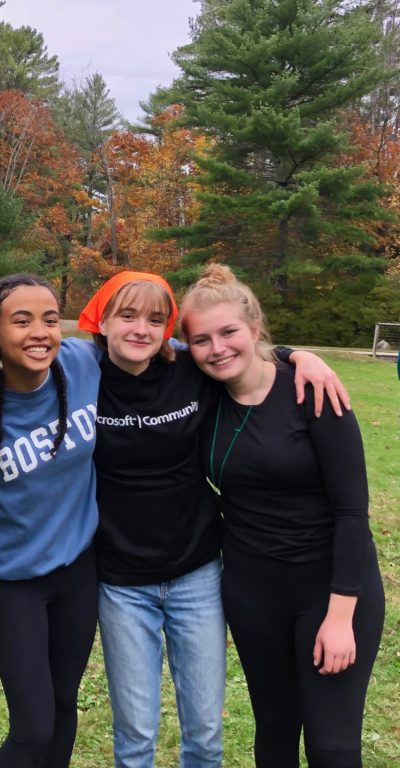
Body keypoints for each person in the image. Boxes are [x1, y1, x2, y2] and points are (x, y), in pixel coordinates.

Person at [77, 270, 347, 768]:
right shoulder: (80, 375)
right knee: (135, 734)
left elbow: (233, 347)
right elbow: (22, 355)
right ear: (102, 319)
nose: (141, 329)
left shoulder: (187, 368)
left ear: (168, 330)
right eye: (128, 315)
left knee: (204, 733)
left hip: (197, 572)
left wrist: (297, 354)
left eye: (156, 320)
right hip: (120, 580)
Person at [180, 264, 385, 768]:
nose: (218, 348)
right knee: (273, 732)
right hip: (252, 593)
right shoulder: (201, 392)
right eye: (201, 340)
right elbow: (128, 348)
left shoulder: (313, 393)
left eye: (229, 332)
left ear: (255, 329)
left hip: (329, 590)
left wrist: (340, 617)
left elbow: (352, 512)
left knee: (331, 745)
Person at [0, 273, 101, 768]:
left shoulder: (85, 362)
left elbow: (175, 341)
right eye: (21, 321)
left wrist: (287, 356)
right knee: (32, 727)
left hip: (79, 569)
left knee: (65, 703)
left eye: (49, 319)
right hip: (12, 581)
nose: (40, 331)